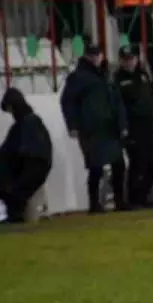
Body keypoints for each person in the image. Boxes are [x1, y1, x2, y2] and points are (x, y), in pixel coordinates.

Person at [61, 44, 129, 213]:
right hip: (91, 129)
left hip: (110, 127)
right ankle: (94, 203)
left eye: (98, 54)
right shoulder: (78, 77)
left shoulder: (107, 75)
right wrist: (73, 125)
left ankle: (119, 200)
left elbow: (118, 102)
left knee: (118, 165)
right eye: (93, 55)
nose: (96, 58)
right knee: (95, 166)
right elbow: (68, 102)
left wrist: (122, 124)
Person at [113, 45, 153, 208]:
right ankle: (134, 199)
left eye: (131, 58)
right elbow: (118, 106)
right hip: (132, 127)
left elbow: (151, 96)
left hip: (148, 126)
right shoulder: (118, 80)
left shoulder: (143, 75)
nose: (129, 62)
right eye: (125, 59)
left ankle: (144, 196)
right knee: (137, 163)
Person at [0, 88, 53, 223]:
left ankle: (15, 216)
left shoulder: (25, 124)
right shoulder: (30, 122)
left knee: (13, 191)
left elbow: (12, 152)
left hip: (29, 169)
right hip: (34, 167)